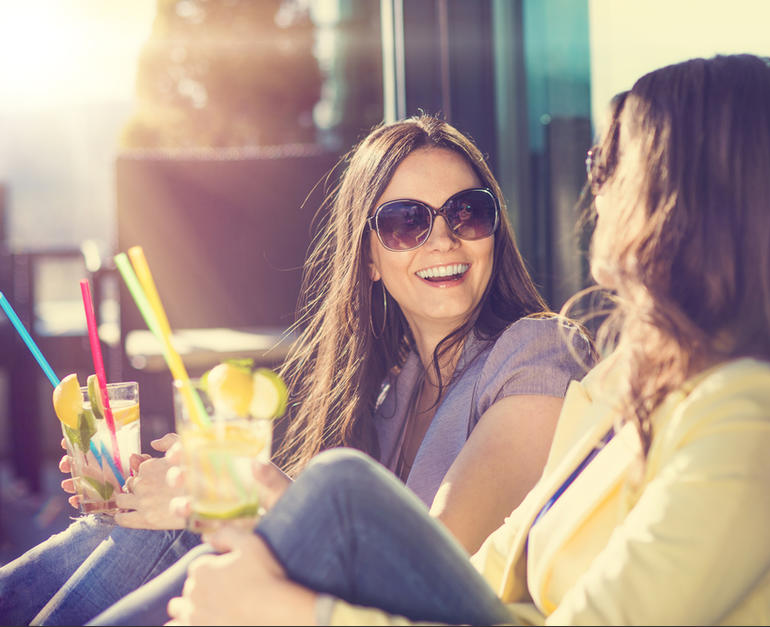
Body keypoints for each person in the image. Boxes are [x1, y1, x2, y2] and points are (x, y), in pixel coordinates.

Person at [95, 53, 770, 626]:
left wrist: (305, 613)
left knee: (339, 494)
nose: (596, 185)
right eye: (404, 222)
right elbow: (494, 577)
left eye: (610, 162)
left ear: (679, 198)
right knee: (300, 502)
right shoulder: (637, 388)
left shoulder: (755, 417)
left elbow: (455, 564)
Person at [0, 115, 593, 625]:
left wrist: (219, 496)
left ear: (494, 228)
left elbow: (431, 556)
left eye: (467, 214)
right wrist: (184, 491)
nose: (442, 239)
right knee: (145, 522)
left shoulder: (539, 349)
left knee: (190, 522)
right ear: (369, 260)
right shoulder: (392, 387)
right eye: (406, 222)